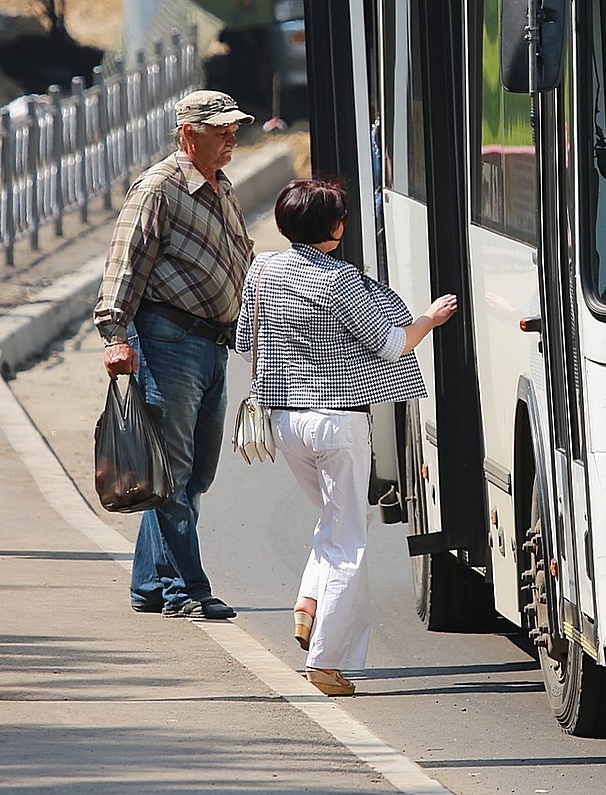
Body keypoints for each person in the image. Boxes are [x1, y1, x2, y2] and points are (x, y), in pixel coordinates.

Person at [236, 177, 457, 697]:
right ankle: (325, 662)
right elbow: (392, 344)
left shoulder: (262, 271)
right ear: (331, 227)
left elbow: (245, 342)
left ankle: (308, 604)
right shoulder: (341, 281)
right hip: (339, 421)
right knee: (349, 542)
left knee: (333, 524)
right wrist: (431, 317)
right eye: (340, 217)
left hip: (286, 421)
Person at [94, 89, 255, 619]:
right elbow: (125, 263)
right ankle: (188, 589)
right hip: (168, 340)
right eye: (221, 130)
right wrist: (115, 335)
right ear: (189, 133)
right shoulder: (159, 188)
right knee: (176, 473)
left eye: (234, 128)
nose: (232, 136)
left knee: (191, 473)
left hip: (212, 343)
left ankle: (149, 585)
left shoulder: (221, 187)